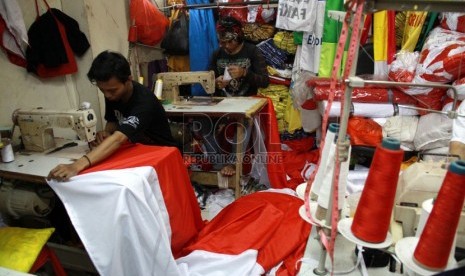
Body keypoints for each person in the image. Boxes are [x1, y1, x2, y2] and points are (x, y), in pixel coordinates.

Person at [47, 50, 177, 181]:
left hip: (160, 152)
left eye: (112, 90)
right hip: (134, 147)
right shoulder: (113, 94)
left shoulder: (144, 102)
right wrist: (105, 133)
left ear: (128, 80)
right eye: (102, 90)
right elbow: (113, 121)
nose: (107, 95)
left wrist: (76, 165)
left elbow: (118, 139)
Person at [194, 16, 269, 176]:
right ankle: (219, 164)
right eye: (223, 42)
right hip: (223, 104)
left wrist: (244, 73)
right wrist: (215, 82)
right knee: (201, 122)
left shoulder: (252, 51)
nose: (226, 46)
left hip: (246, 104)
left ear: (238, 36)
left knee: (242, 122)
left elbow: (264, 81)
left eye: (229, 42)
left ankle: (234, 165)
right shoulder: (218, 53)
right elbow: (208, 78)